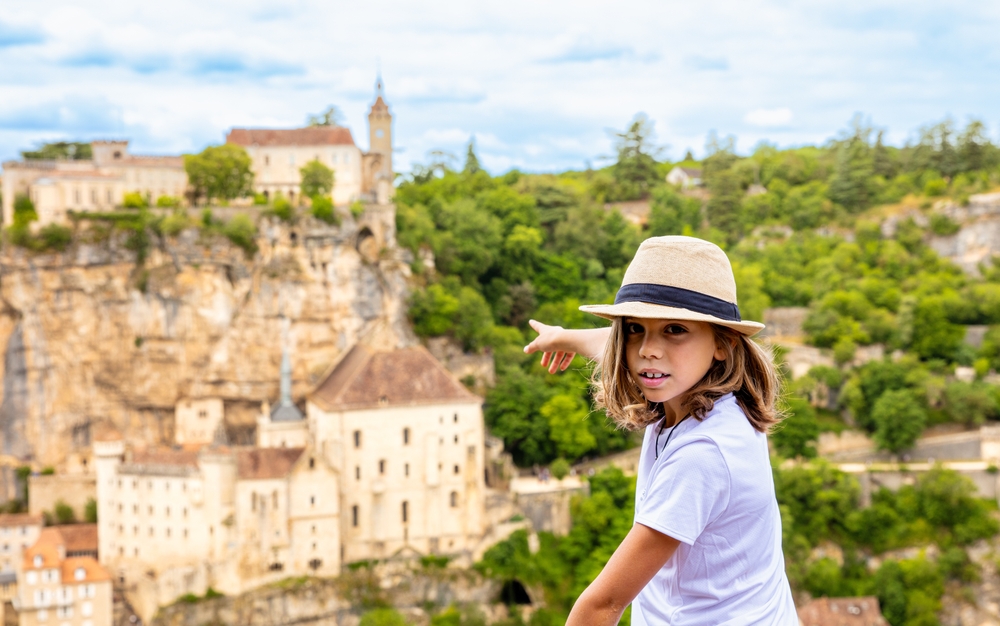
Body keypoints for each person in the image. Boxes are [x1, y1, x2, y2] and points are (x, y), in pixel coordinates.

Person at [523, 236, 797, 625]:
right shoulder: (719, 398)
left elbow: (600, 607)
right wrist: (563, 336)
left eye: (674, 329)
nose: (648, 350)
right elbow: (628, 346)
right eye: (635, 328)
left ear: (722, 343)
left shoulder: (702, 454)